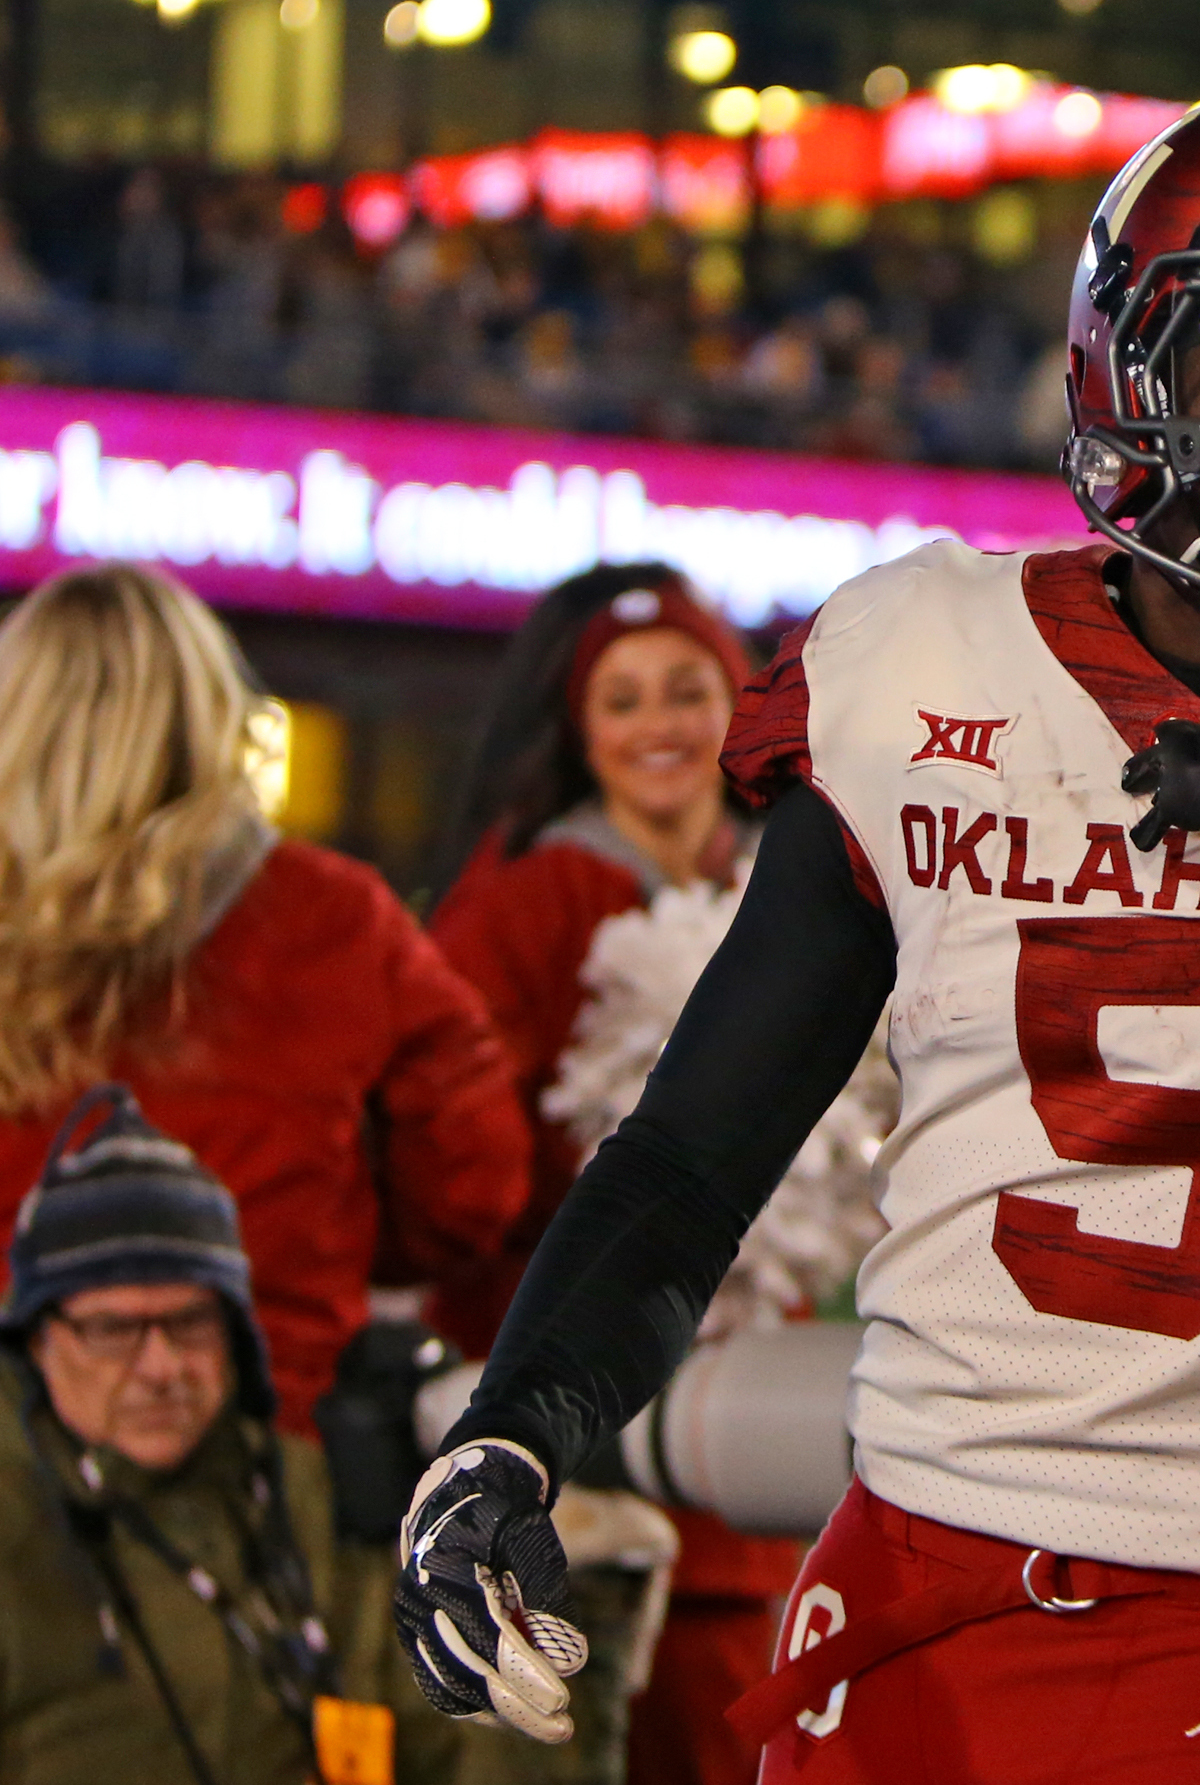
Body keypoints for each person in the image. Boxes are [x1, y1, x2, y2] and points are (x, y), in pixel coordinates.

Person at [391, 81, 1200, 1784]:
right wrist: (514, 1430)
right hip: (894, 1569)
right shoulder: (927, 657)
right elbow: (690, 1157)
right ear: (1136, 369)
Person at [0, 563, 529, 1437]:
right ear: (213, 715)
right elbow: (472, 1189)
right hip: (273, 1442)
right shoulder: (334, 915)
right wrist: (323, 1230)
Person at [427, 562, 803, 1785]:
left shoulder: (799, 885)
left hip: (753, 1450)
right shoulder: (533, 891)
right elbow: (456, 1155)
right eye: (623, 699)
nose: (660, 727)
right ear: (579, 728)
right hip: (584, 1448)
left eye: (688, 690)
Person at [0, 1083, 452, 1784]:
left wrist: (569, 1602)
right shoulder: (15, 1521)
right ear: (38, 1342)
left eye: (190, 1322)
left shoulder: (309, 1499)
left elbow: (452, 1751)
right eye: (114, 1330)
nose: (161, 1368)